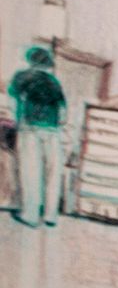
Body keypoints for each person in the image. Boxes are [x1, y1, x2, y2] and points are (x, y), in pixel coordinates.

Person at [7, 46, 67, 228]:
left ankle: (31, 215)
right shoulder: (54, 82)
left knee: (31, 172)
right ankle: (50, 216)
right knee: (52, 174)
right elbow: (63, 113)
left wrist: (16, 122)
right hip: (53, 131)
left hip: (30, 128)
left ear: (30, 61)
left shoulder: (22, 77)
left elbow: (12, 102)